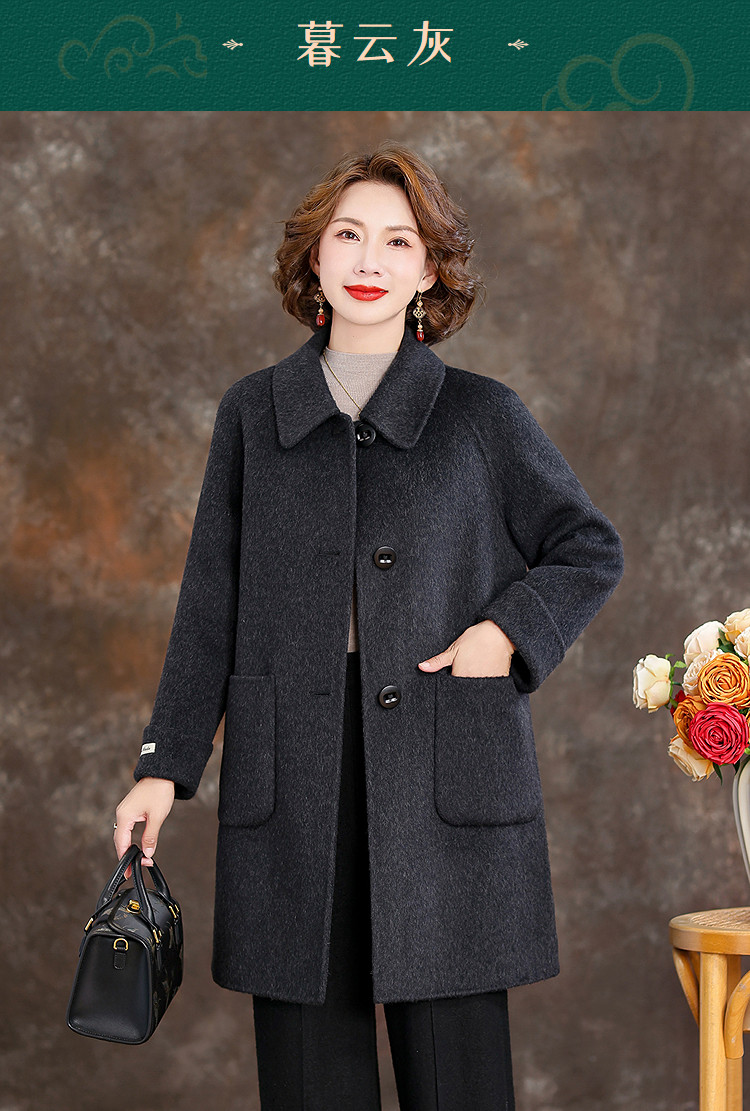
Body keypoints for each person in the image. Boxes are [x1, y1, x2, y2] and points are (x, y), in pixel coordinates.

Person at [113, 141, 624, 1110]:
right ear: (315, 256)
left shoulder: (481, 416)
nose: (370, 260)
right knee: (311, 1082)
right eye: (349, 235)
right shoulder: (253, 415)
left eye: (399, 241)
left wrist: (506, 634)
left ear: (429, 271)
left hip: (443, 773)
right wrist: (162, 766)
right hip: (291, 777)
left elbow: (588, 546)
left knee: (460, 1084)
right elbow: (210, 604)